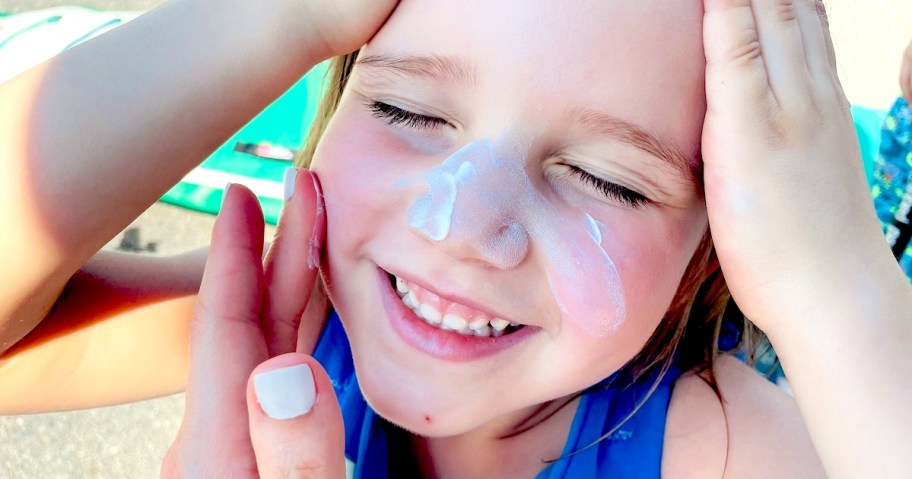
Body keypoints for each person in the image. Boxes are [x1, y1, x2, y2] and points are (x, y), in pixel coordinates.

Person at [1, 1, 910, 478]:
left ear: (712, 254)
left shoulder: (722, 450)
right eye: (406, 108)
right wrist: (277, 14)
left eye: (608, 179)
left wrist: (836, 290)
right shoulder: (297, 317)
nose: (464, 228)